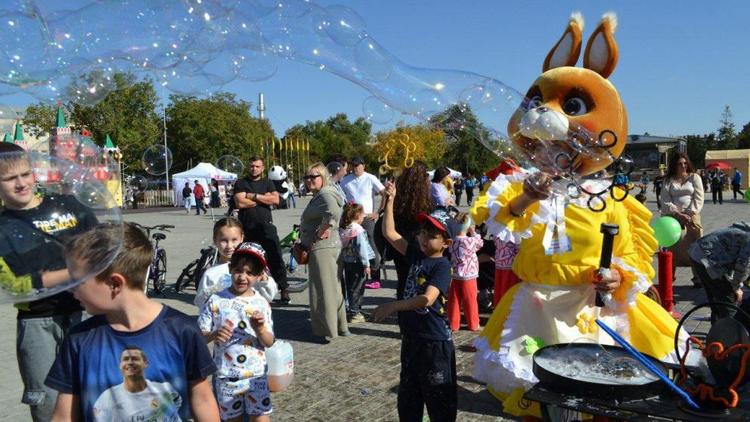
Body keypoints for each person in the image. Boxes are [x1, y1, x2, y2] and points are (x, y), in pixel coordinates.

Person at [46, 223, 219, 421]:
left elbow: (202, 398)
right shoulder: (79, 340)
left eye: (78, 280)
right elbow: (64, 415)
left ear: (114, 283)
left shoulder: (182, 331)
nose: (71, 289)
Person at [0, 143, 97, 421]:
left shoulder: (67, 205)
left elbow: (102, 247)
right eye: (9, 179)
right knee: (46, 401)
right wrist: (73, 272)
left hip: (85, 311)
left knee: (93, 390)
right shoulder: (3, 227)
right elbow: (14, 286)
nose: (21, 184)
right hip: (36, 322)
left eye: (25, 174)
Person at [373, 182, 457, 421]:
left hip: (435, 343)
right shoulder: (416, 254)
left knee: (439, 402)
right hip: (413, 339)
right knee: (409, 399)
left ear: (446, 243)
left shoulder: (442, 266)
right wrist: (390, 200)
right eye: (422, 232)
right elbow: (390, 233)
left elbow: (426, 299)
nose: (423, 238)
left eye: (432, 236)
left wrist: (393, 305)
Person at [198, 242, 276, 422]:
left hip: (256, 375)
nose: (242, 277)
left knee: (261, 418)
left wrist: (260, 329)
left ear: (259, 276)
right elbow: (199, 336)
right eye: (239, 270)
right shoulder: (215, 300)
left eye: (250, 273)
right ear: (231, 269)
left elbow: (269, 341)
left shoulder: (261, 303)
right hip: (226, 376)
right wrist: (213, 335)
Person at [301, 163, 349, 342]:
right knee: (333, 288)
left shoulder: (325, 193)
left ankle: (326, 330)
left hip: (323, 246)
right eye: (307, 177)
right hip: (328, 246)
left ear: (323, 177)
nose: (309, 180)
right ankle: (340, 326)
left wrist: (325, 227)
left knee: (323, 289)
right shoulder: (323, 193)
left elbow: (334, 212)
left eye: (314, 176)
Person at [234, 156, 290, 304]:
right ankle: (252, 291)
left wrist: (251, 196)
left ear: (263, 168)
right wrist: (263, 199)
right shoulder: (241, 183)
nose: (254, 169)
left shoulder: (268, 182)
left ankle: (284, 288)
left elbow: (276, 200)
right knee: (249, 261)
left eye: (257, 166)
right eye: (252, 166)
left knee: (275, 258)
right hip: (246, 228)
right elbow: (240, 202)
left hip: (266, 227)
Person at [194, 217, 278, 308]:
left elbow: (269, 296)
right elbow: (201, 303)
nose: (229, 246)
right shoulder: (211, 274)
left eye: (234, 240)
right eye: (224, 240)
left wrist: (264, 281)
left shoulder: (253, 266)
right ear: (215, 240)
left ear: (242, 238)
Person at [688, 222, 750, 323]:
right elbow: (743, 265)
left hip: (699, 252)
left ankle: (716, 332)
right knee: (728, 300)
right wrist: (737, 287)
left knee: (717, 300)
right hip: (706, 257)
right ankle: (729, 334)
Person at [341, 156, 386, 289]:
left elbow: (384, 194)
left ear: (363, 166)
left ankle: (375, 276)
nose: (355, 168)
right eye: (353, 165)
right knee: (349, 246)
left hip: (366, 217)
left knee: (372, 245)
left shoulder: (370, 178)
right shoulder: (346, 180)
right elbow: (340, 195)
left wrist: (378, 212)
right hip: (350, 218)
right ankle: (354, 273)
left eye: (357, 165)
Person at [392, 161, 434, 299]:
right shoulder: (426, 203)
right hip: (419, 247)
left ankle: (402, 311)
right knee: (420, 281)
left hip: (398, 245)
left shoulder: (397, 201)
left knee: (403, 279)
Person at [661, 152, 704, 268]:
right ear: (674, 165)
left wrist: (689, 213)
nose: (683, 166)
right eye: (680, 163)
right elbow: (665, 200)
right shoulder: (668, 180)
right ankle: (669, 276)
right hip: (672, 216)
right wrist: (678, 214)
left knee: (695, 247)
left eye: (685, 163)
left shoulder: (694, 177)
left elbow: (699, 197)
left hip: (691, 216)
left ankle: (698, 278)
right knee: (671, 247)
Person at [447, 214, 484, 332]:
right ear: (467, 227)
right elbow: (480, 243)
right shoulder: (470, 241)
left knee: (454, 299)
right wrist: (473, 232)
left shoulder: (451, 241)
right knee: (470, 300)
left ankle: (453, 324)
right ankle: (473, 323)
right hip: (469, 275)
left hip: (456, 274)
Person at [340, 202, 375, 324]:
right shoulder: (358, 230)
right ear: (357, 215)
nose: (364, 217)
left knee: (350, 286)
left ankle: (351, 309)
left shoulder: (346, 229)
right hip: (358, 263)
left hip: (347, 262)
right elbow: (362, 249)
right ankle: (355, 312)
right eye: (362, 215)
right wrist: (367, 265)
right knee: (358, 288)